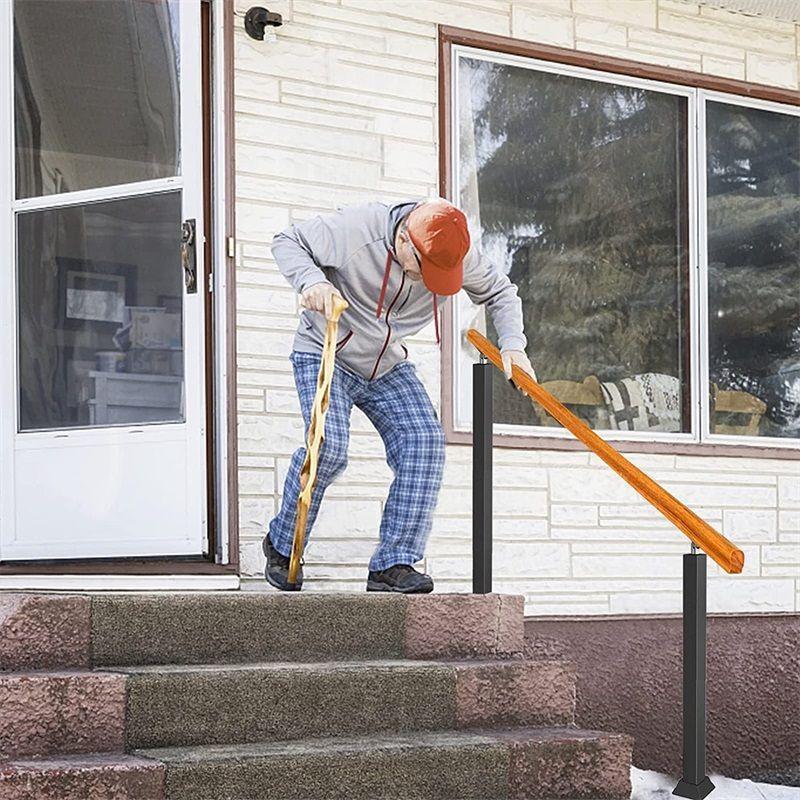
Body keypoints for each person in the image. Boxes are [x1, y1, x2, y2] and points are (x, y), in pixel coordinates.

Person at [263, 198, 534, 593]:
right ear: (405, 240)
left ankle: (393, 564)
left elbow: (501, 292)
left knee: (424, 444)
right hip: (327, 349)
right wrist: (313, 281)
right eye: (427, 273)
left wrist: (513, 344)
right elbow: (287, 241)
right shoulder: (356, 230)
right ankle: (283, 544)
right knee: (329, 447)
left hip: (387, 364)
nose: (431, 283)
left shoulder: (455, 253)